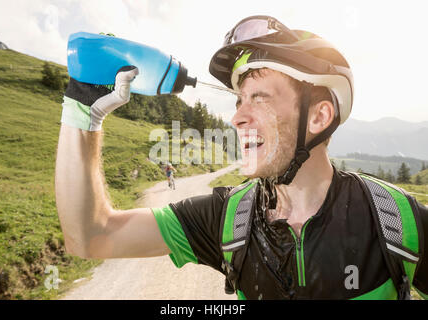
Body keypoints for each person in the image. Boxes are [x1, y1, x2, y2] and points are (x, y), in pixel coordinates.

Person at [55, 15, 428, 299]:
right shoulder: (227, 219)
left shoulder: (395, 219)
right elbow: (91, 236)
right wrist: (83, 112)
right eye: (238, 100)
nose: (237, 117)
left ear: (319, 116)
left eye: (259, 98)